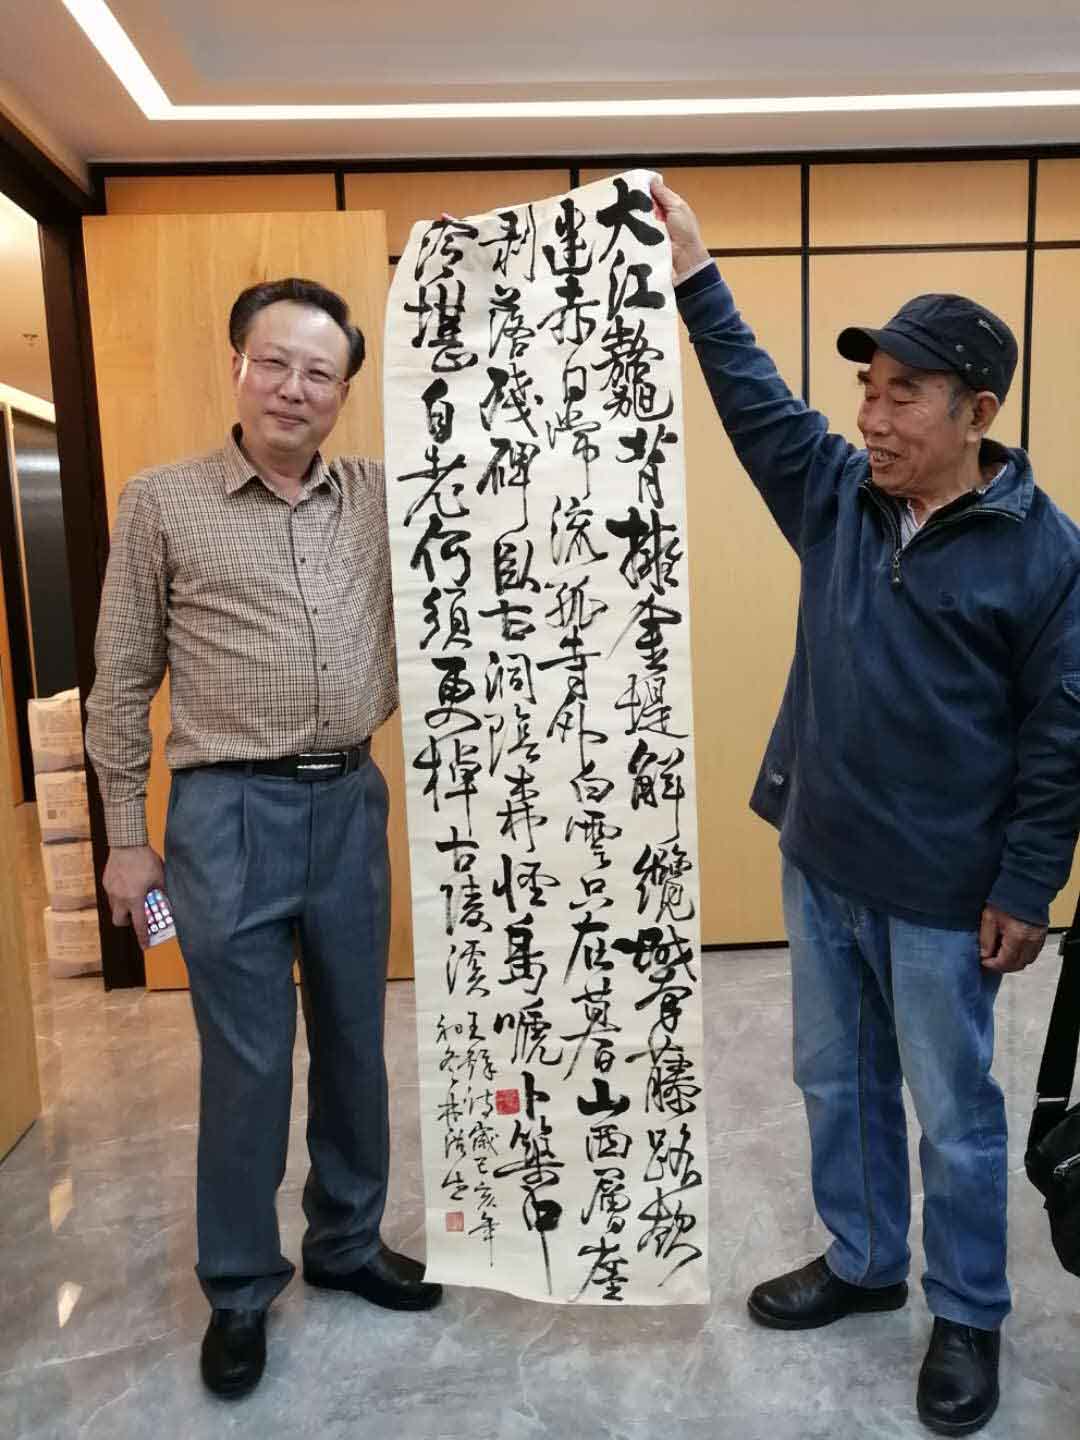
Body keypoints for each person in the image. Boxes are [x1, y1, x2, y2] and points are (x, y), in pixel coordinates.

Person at [651, 176, 1080, 1436]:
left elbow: (1063, 735)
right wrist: (695, 274)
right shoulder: (838, 493)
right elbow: (754, 400)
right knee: (833, 1081)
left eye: (904, 395)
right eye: (868, 388)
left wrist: (1027, 885)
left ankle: (970, 1311)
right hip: (822, 857)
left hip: (946, 891)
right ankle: (864, 1259)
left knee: (955, 1112)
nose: (871, 417)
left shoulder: (1045, 552)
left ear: (977, 413)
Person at [85, 277, 441, 1402]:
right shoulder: (162, 501)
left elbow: (491, 465)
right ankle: (240, 1287)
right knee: (246, 1062)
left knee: (353, 1039)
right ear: (236, 365)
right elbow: (119, 682)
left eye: (320, 371)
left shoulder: (382, 494)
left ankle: (347, 1240)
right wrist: (126, 840)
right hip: (224, 814)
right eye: (274, 362)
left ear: (345, 390)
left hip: (351, 802)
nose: (295, 388)